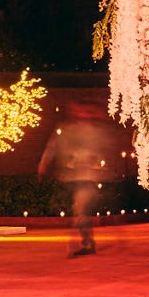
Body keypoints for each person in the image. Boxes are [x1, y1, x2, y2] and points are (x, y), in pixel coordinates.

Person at [39, 101, 111, 256]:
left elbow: (99, 149)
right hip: (74, 177)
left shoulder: (91, 130)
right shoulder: (68, 130)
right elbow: (54, 146)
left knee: (80, 208)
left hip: (87, 178)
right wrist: (45, 162)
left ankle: (87, 243)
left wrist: (94, 162)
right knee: (79, 210)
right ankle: (87, 241)